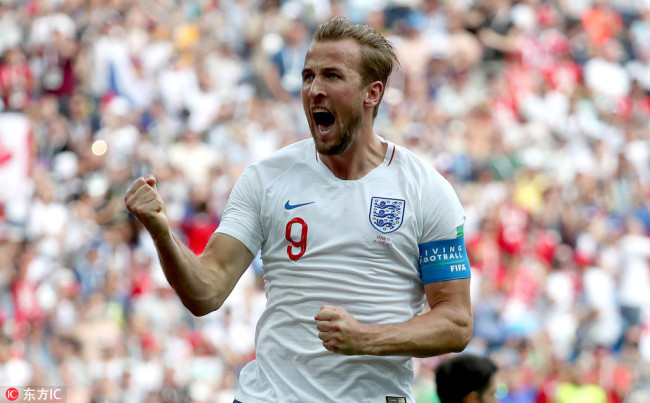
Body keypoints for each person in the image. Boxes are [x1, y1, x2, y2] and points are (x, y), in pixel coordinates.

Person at [125, 16, 472, 402]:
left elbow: (455, 323)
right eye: (308, 76)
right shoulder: (266, 178)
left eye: (332, 76)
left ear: (371, 93)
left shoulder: (426, 190)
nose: (314, 90)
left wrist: (366, 338)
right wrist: (160, 231)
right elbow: (206, 292)